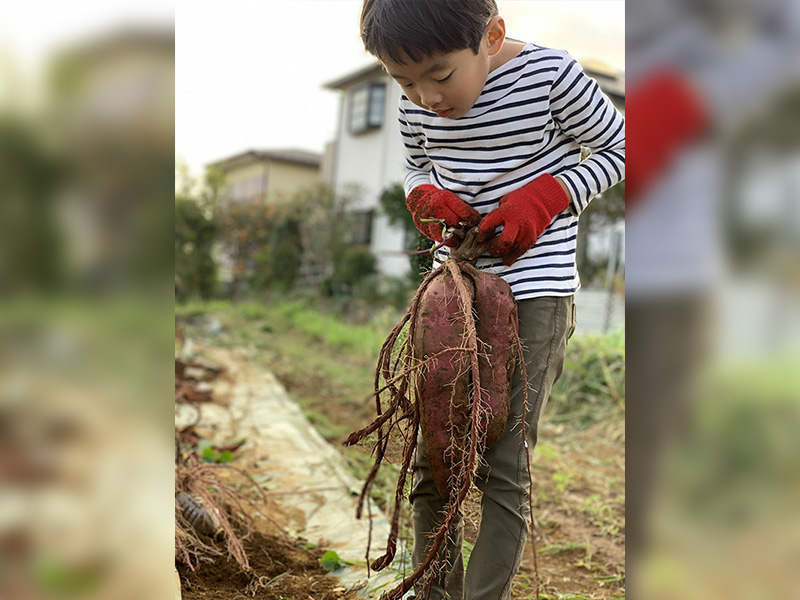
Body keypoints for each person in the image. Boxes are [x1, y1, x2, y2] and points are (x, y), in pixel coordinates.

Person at [359, 0, 625, 597]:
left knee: (505, 464)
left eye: (441, 75)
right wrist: (423, 194)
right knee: (435, 458)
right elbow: (415, 166)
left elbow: (622, 149)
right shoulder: (413, 103)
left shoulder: (551, 76)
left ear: (491, 36)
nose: (425, 96)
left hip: (536, 293)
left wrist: (552, 194)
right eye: (403, 80)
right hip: (450, 293)